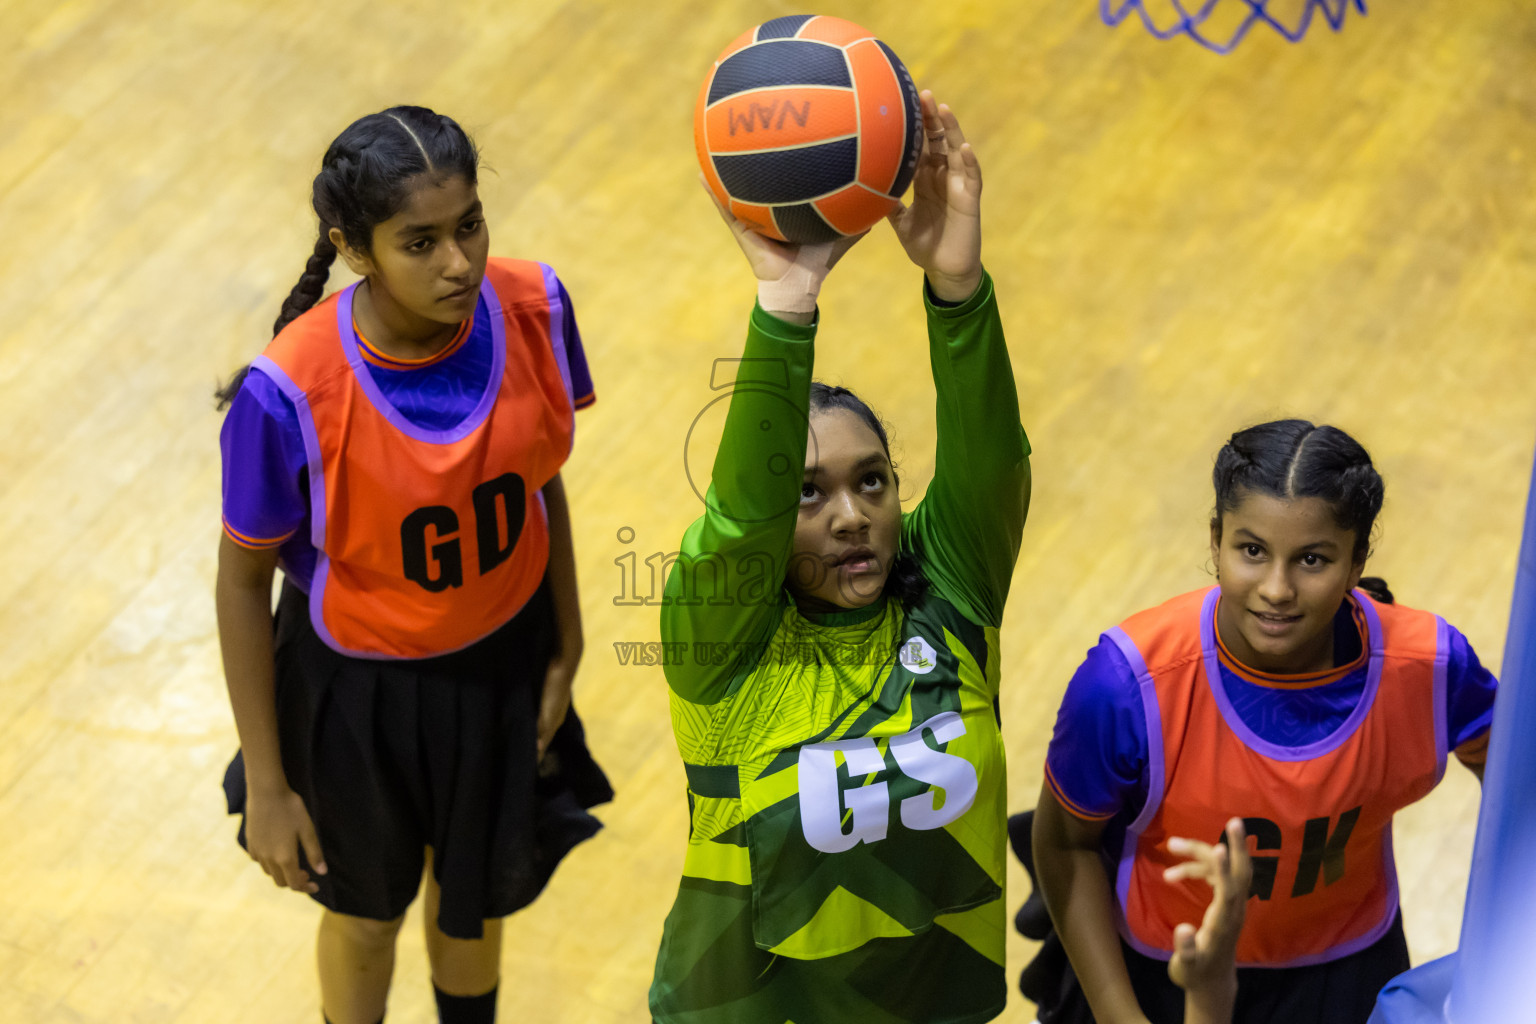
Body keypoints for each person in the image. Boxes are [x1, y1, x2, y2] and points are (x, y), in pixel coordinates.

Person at [648, 91, 1248, 1024]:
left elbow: (990, 463)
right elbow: (735, 520)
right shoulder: (718, 648)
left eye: (873, 482)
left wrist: (957, 286)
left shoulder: (949, 597)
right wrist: (785, 307)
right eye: (807, 494)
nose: (852, 516)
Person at [215, 105, 611, 1024]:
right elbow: (242, 584)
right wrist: (269, 789)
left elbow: (540, 482)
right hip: (356, 696)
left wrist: (567, 649)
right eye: (420, 241)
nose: (459, 262)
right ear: (355, 250)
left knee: (473, 911)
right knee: (365, 919)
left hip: (502, 665)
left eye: (469, 223)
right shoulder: (288, 395)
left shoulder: (535, 307)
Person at [1026, 419, 1499, 1024]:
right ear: (1216, 538)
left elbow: (1515, 780)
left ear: (1357, 562)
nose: (1277, 588)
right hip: (1162, 970)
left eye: (1312, 559)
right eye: (1252, 551)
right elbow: (1063, 844)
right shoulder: (1127, 685)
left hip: (1347, 970)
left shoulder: (1430, 669)